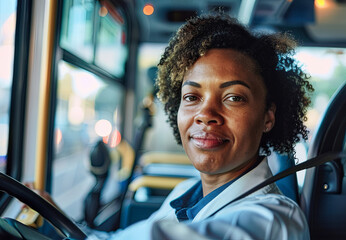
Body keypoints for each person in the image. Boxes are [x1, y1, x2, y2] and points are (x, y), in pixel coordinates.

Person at [32, 13, 314, 239]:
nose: (206, 115)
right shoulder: (184, 193)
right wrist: (57, 222)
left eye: (233, 98)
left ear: (268, 117)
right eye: (192, 97)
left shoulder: (274, 221)